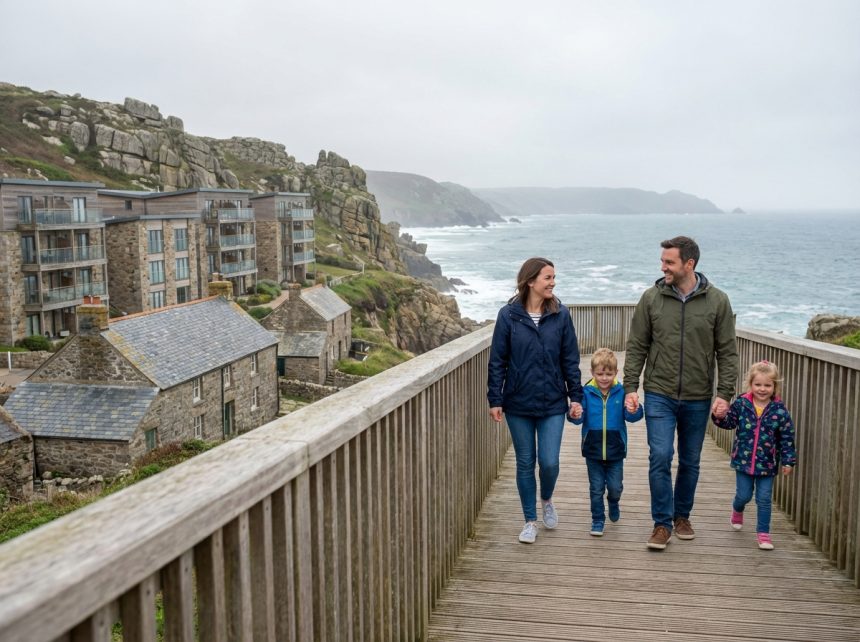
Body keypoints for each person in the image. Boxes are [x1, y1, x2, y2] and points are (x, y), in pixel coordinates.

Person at [623, 236, 738, 550]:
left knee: (690, 461)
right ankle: (661, 523)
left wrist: (724, 393)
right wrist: (630, 387)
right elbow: (636, 347)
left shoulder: (718, 301)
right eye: (663, 261)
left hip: (699, 396)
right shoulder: (651, 299)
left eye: (669, 262)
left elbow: (727, 352)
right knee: (660, 456)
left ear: (690, 264)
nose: (663, 267)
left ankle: (682, 515)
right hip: (659, 391)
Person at [488, 257, 584, 544]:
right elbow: (497, 361)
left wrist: (575, 397)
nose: (553, 282)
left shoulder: (561, 315)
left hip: (553, 401)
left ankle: (547, 499)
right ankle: (529, 519)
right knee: (525, 462)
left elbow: (570, 359)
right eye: (548, 277)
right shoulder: (508, 316)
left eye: (554, 277)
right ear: (531, 281)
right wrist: (496, 398)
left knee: (550, 462)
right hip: (517, 402)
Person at [712, 360, 796, 550]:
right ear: (750, 384)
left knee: (764, 498)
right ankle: (737, 509)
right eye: (758, 384)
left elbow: (787, 437)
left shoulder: (780, 411)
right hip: (743, 460)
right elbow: (729, 422)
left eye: (767, 385)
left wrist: (788, 461)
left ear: (775, 386)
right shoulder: (742, 404)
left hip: (767, 464)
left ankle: (763, 534)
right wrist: (719, 416)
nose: (762, 389)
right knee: (743, 495)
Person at [568, 348, 643, 536]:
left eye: (609, 374)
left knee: (615, 487)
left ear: (616, 373)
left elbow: (632, 417)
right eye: (600, 374)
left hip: (615, 450)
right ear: (592, 372)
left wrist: (635, 409)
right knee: (596, 488)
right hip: (592, 450)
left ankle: (614, 501)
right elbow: (577, 419)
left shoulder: (622, 392)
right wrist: (574, 413)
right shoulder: (586, 392)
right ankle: (597, 520)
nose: (604, 378)